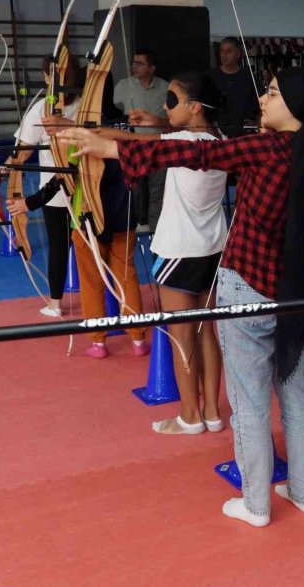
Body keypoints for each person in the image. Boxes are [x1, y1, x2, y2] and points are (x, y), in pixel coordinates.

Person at [62, 66, 304, 527]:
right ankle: (303, 493)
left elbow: (202, 154)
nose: (264, 98)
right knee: (295, 395)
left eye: (274, 93)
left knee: (250, 401)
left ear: (297, 106)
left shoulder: (268, 147)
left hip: (248, 290)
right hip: (295, 295)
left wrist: (111, 149)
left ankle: (257, 504)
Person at [102, 71, 228, 435]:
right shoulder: (219, 139)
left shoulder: (182, 143)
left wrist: (77, 130)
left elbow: (129, 142)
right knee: (206, 332)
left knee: (181, 335)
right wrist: (156, 122)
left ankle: (190, 417)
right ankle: (212, 413)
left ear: (194, 107)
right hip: (213, 249)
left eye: (171, 100)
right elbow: (166, 133)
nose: (164, 105)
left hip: (178, 251)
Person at [9, 110, 149, 360]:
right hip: (118, 219)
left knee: (92, 281)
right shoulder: (126, 143)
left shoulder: (84, 141)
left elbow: (59, 180)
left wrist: (28, 204)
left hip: (88, 221)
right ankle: (138, 338)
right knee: (125, 276)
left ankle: (99, 341)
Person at [0, 54, 80, 317]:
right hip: (80, 191)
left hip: (60, 192)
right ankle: (101, 302)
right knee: (88, 244)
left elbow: (21, 155)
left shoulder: (47, 110)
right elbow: (21, 155)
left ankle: (56, 304)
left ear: (50, 77)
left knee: (60, 245)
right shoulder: (84, 106)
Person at [113, 49, 169, 233]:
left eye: (140, 63)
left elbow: (173, 118)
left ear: (152, 68)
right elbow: (110, 107)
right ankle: (139, 222)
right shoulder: (124, 85)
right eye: (133, 62)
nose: (134, 66)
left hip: (158, 146)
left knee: (157, 188)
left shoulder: (166, 88)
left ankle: (156, 227)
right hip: (134, 145)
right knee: (136, 188)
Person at [209, 36, 260, 138]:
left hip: (244, 134)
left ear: (238, 54)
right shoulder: (211, 76)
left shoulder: (249, 76)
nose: (224, 55)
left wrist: (255, 122)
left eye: (229, 51)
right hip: (217, 133)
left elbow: (261, 101)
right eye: (222, 51)